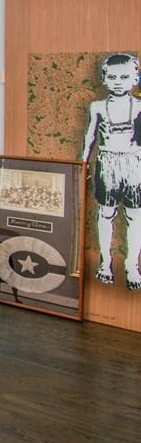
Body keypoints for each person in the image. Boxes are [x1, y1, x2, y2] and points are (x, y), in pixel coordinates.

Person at [82, 53, 141, 289]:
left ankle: (131, 265)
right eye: (113, 77)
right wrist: (83, 163)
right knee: (106, 213)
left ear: (134, 79)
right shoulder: (97, 107)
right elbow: (90, 137)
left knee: (135, 216)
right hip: (107, 163)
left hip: (134, 164)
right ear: (104, 78)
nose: (118, 82)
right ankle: (105, 263)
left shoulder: (139, 107)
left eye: (124, 77)